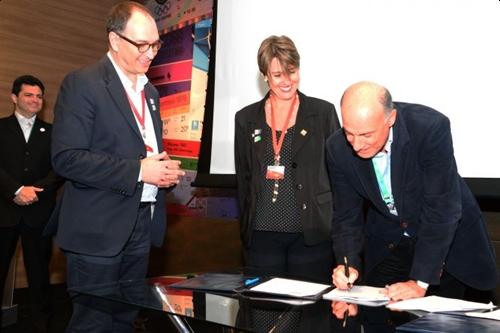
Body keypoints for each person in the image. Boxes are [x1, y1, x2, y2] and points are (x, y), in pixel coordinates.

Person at [49, 1, 185, 331]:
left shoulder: (150, 91)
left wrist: (161, 171)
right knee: (93, 323)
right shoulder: (84, 83)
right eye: (142, 44)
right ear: (114, 40)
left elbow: (140, 149)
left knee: (125, 319)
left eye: (155, 44)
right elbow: (67, 158)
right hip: (98, 230)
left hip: (140, 223)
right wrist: (139, 171)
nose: (151, 53)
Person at [327, 81, 498, 301]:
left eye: (367, 135)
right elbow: (346, 215)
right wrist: (347, 263)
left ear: (391, 119)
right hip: (390, 242)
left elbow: (441, 209)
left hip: (446, 245)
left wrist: (419, 281)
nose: (357, 145)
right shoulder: (337, 148)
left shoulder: (429, 129)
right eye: (350, 133)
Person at [234, 35, 340, 283]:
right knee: (264, 312)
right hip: (262, 235)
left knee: (309, 313)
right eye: (278, 75)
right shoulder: (246, 118)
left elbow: (338, 174)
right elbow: (244, 177)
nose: (286, 81)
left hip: (311, 234)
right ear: (265, 76)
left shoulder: (322, 113)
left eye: (291, 72)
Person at [0, 75, 63, 332]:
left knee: (39, 275)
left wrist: (35, 191)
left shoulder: (52, 133)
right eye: (29, 95)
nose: (35, 100)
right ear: (14, 97)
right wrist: (15, 189)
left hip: (38, 213)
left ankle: (41, 324)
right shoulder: (1, 127)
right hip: (3, 212)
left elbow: (59, 168)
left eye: (39, 96)